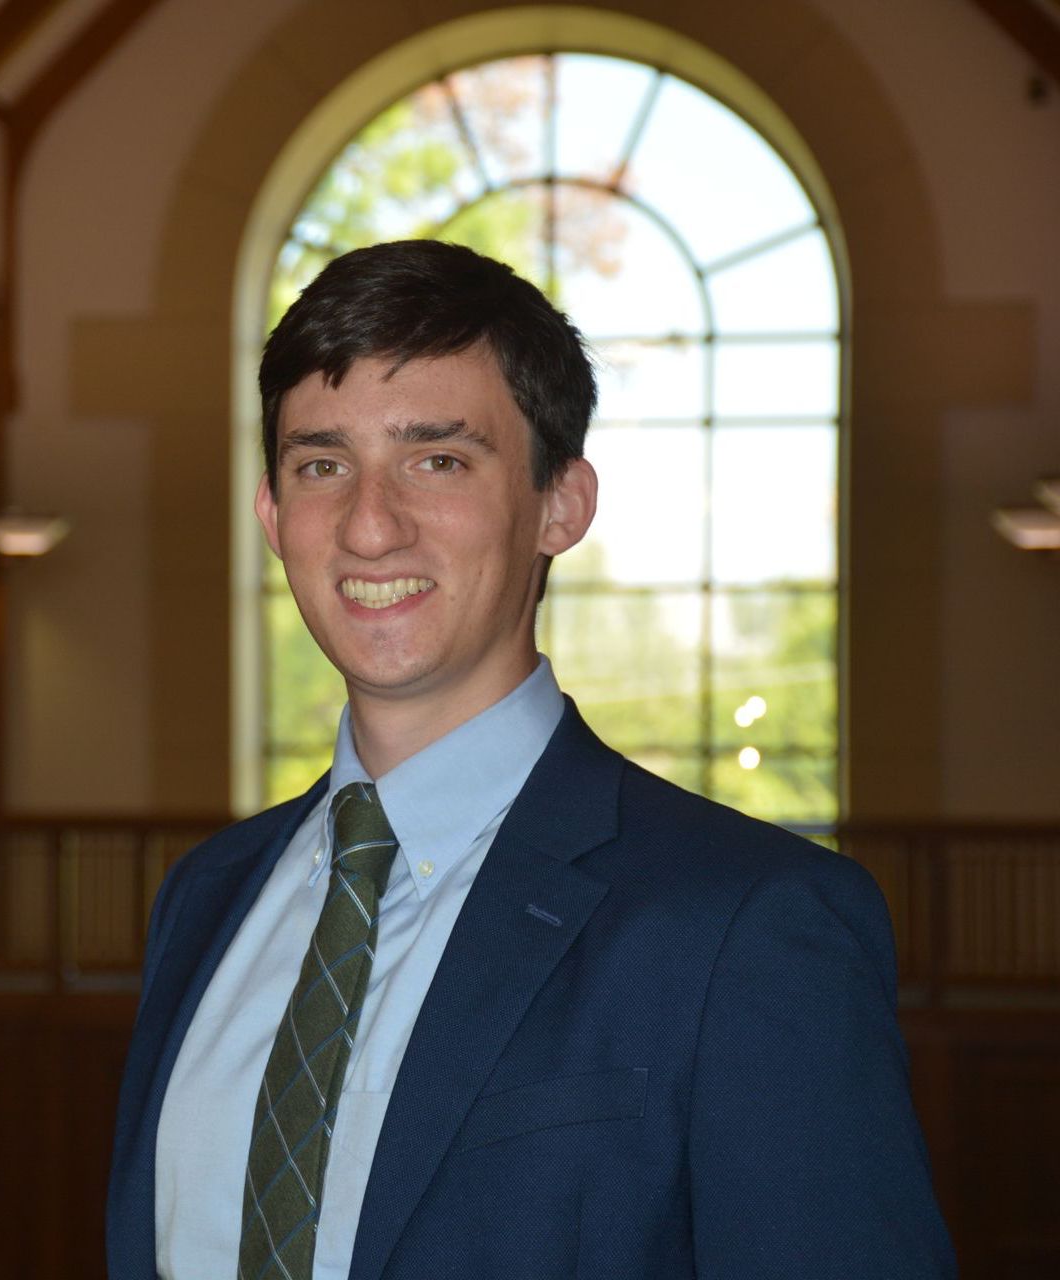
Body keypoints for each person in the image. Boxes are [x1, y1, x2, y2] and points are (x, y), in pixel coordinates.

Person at [107, 240, 956, 1279]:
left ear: (561, 503)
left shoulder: (747, 925)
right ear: (274, 515)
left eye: (438, 459)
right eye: (321, 463)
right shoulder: (205, 896)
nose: (369, 526)